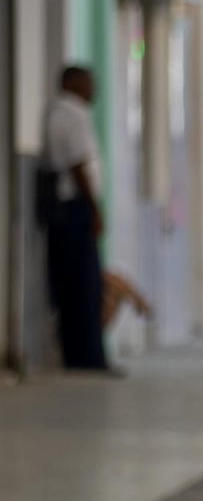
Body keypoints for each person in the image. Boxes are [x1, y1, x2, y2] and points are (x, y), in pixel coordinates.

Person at [42, 66, 110, 370]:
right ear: (72, 83)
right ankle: (88, 358)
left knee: (69, 285)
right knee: (85, 285)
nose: (93, 88)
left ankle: (76, 355)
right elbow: (78, 164)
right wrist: (94, 208)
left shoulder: (56, 112)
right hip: (76, 208)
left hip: (64, 208)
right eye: (88, 82)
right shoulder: (74, 114)